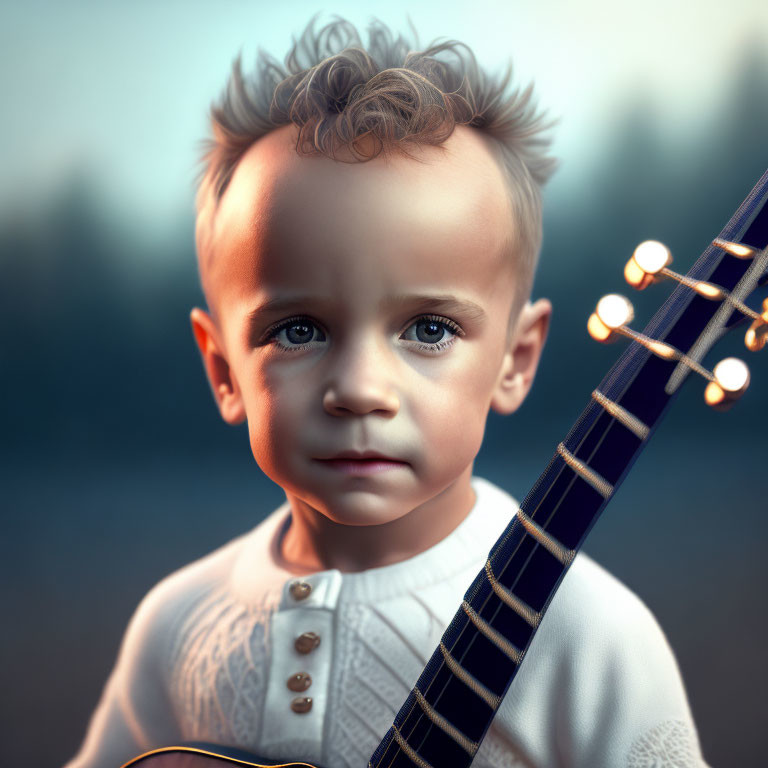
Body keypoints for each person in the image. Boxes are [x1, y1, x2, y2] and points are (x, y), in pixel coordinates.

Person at [65, 16, 707, 768]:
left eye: (429, 330)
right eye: (299, 330)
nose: (361, 390)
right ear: (223, 371)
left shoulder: (589, 635)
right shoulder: (176, 627)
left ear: (516, 358)